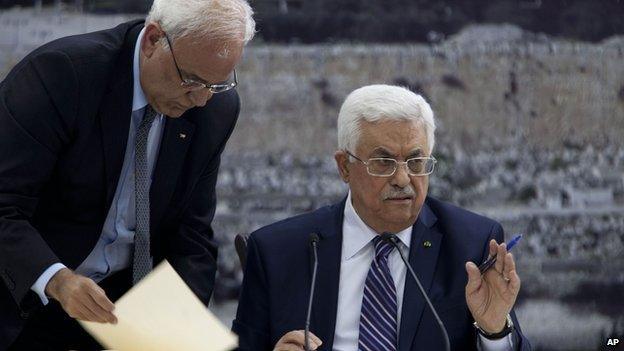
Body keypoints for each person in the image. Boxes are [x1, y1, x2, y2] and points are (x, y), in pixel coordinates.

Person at [0, 0, 255, 349]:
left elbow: (191, 233)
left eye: (217, 83)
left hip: (123, 314)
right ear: (153, 40)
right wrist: (57, 280)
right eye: (191, 80)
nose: (201, 99)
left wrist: (177, 330)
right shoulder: (63, 75)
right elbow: (3, 205)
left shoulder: (216, 110)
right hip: (27, 300)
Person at [233, 85, 531, 350]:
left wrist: (494, 333)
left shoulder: (471, 244)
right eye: (383, 162)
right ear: (344, 167)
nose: (402, 178)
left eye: (415, 161)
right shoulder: (277, 252)